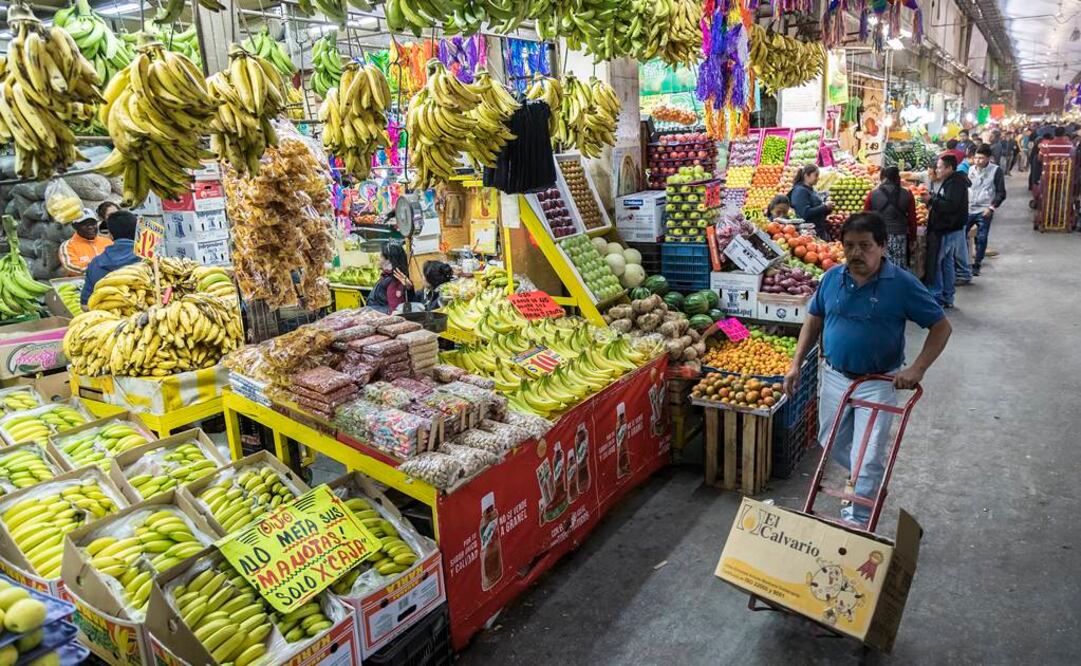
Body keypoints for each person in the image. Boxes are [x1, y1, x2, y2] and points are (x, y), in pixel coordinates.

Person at [783, 212, 952, 526]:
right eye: (849, 246)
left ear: (883, 246)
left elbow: (941, 327)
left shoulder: (901, 284)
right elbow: (814, 318)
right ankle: (864, 476)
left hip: (877, 381)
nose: (856, 253)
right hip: (834, 375)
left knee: (869, 452)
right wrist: (796, 364)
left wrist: (917, 368)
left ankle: (857, 518)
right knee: (829, 440)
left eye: (865, 246)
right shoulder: (832, 277)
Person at [922, 154, 968, 309]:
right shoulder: (953, 181)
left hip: (947, 228)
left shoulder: (954, 183)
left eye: (940, 167)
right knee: (947, 262)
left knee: (938, 262)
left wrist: (931, 200)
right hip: (951, 228)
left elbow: (950, 205)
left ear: (949, 168)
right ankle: (948, 296)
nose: (937, 170)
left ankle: (938, 297)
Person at [80, 211, 139, 307]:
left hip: (108, 319)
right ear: (137, 231)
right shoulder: (150, 260)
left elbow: (85, 305)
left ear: (111, 235)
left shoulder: (95, 264)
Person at [964, 145, 1006, 277]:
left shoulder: (996, 171)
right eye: (976, 158)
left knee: (981, 237)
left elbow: (1001, 193)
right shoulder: (970, 170)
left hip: (985, 209)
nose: (978, 160)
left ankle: (977, 264)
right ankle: (964, 262)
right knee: (961, 235)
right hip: (969, 208)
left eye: (981, 158)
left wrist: (991, 207)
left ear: (988, 158)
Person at [863, 167, 917, 268]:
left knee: (880, 267)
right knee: (898, 267)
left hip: (879, 237)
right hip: (900, 236)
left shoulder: (872, 194)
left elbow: (865, 218)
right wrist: (913, 239)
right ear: (898, 178)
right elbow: (912, 220)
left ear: (883, 177)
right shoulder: (907, 194)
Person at [59, 209, 112, 276]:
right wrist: (103, 268)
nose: (90, 227)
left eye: (93, 223)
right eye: (85, 224)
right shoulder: (68, 246)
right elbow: (71, 267)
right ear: (75, 226)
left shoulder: (108, 242)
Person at [366, 241, 414, 313]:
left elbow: (395, 313)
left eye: (381, 256)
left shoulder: (395, 281)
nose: (378, 259)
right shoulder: (388, 276)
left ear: (389, 260)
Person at [789, 165, 833, 238]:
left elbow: (817, 210)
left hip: (817, 231)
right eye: (816, 175)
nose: (818, 178)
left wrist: (827, 209)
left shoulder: (811, 190)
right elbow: (804, 214)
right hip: (808, 234)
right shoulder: (800, 191)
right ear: (806, 176)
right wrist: (824, 207)